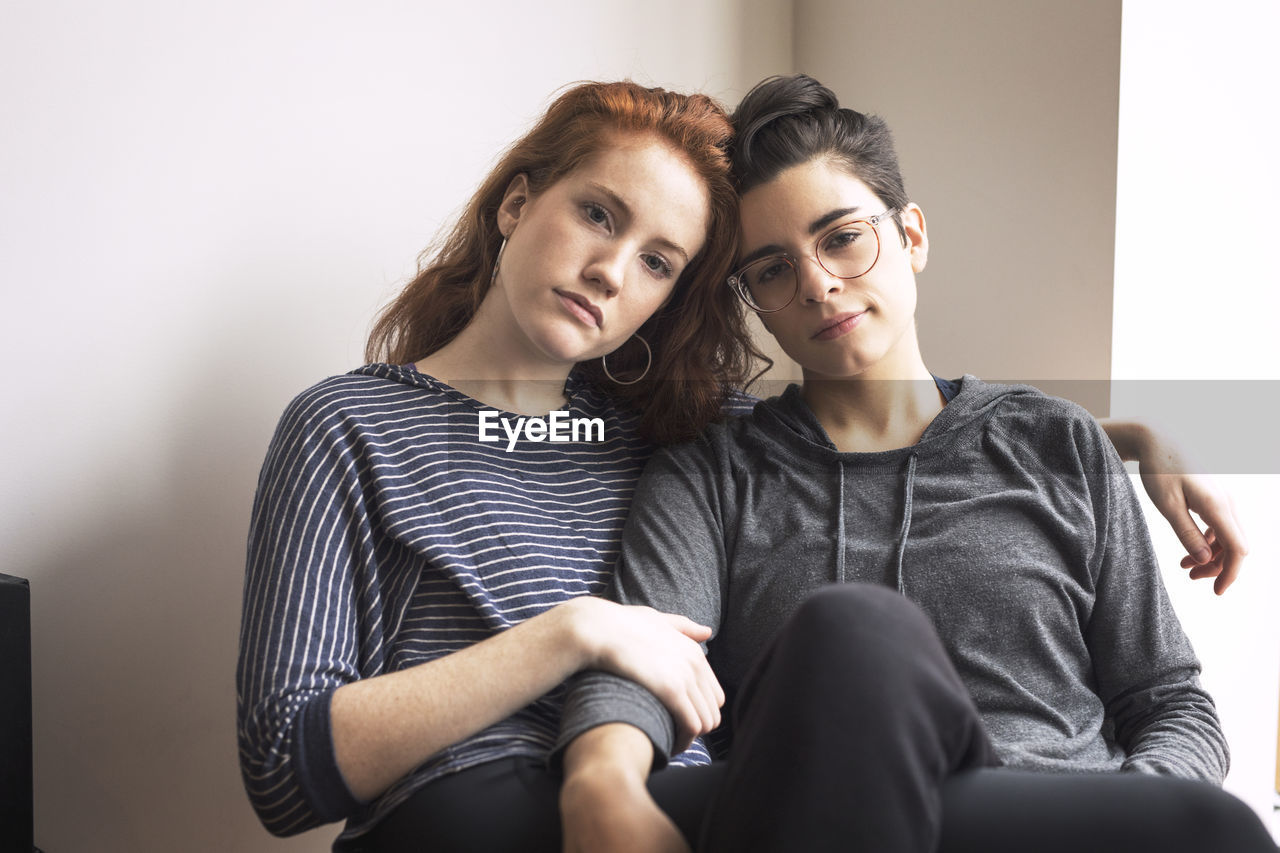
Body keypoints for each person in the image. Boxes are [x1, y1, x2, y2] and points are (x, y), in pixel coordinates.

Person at [236, 79, 1250, 852]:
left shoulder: (657, 427)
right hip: (478, 806)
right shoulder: (352, 425)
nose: (608, 269)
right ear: (516, 204)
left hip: (716, 804)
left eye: (657, 261)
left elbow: (886, 424)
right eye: (597, 213)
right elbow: (283, 769)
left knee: (862, 649)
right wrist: (572, 634)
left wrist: (1113, 443)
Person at [555, 74, 1275, 853]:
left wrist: (1137, 809)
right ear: (753, 299)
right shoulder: (712, 475)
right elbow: (638, 662)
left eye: (842, 237)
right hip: (816, 814)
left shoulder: (1058, 443)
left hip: (1059, 818)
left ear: (912, 235)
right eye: (772, 269)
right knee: (850, 630)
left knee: (1220, 828)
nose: (819, 284)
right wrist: (602, 782)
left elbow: (1167, 698)